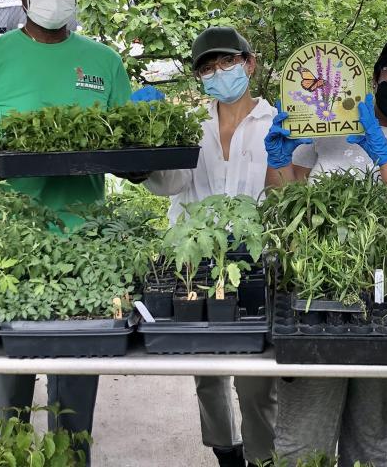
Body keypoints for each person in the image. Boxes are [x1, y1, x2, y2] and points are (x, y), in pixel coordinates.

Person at [0, 0, 133, 465]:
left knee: (74, 418)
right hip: (7, 251)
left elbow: (127, 148)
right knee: (0, 411)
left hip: (84, 252)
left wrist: (137, 163)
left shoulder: (105, 62)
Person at [265, 32, 387, 467]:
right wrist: (278, 161)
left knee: (370, 439)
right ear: (373, 77)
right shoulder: (327, 127)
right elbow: (284, 203)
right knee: (302, 440)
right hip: (314, 293)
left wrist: (381, 152)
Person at [141, 26, 277, 467]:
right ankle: (225, 451)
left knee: (256, 379)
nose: (219, 73)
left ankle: (262, 457)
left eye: (227, 63)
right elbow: (171, 184)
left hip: (256, 262)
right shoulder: (192, 127)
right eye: (207, 68)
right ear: (198, 77)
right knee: (207, 370)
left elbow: (288, 191)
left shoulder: (275, 124)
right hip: (195, 263)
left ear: (249, 63)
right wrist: (145, 149)